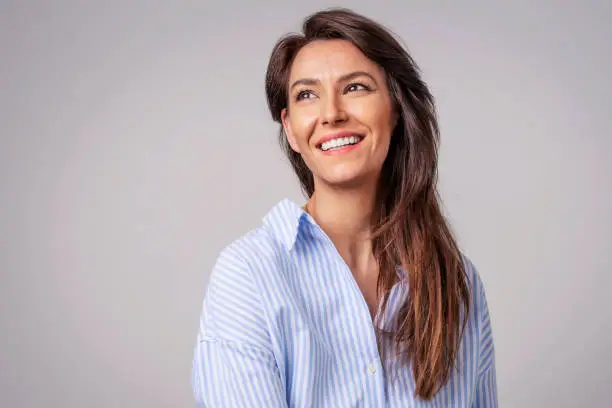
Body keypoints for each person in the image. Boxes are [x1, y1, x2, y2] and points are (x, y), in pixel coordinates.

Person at [191, 7, 497, 407]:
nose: (332, 113)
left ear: (396, 111)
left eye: (356, 88)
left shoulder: (455, 283)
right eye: (306, 95)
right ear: (291, 130)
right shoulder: (249, 274)